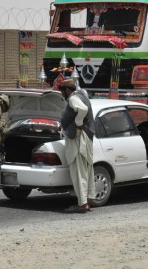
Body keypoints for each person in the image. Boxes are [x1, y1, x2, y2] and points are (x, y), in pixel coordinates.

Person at [58, 78, 95, 213]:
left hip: (79, 139)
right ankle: (87, 201)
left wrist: (78, 123)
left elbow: (83, 109)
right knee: (86, 170)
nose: (62, 94)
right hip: (87, 137)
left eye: (62, 91)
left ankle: (82, 204)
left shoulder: (74, 98)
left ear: (68, 90)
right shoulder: (83, 95)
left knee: (78, 171)